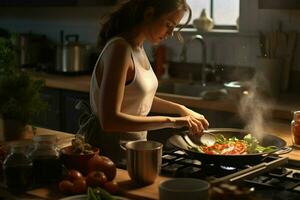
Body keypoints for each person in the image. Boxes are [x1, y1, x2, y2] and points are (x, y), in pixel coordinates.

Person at [85, 0, 209, 165]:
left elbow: (137, 100)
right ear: (149, 14)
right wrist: (172, 121)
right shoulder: (119, 49)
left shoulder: (138, 47)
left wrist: (181, 109)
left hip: (132, 148)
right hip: (110, 153)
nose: (171, 33)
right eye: (168, 24)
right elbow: (109, 121)